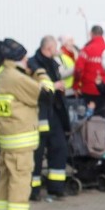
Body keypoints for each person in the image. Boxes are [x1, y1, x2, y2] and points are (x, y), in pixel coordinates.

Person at [0, 38, 53, 210]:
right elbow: (47, 94)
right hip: (20, 140)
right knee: (20, 181)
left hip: (7, 140)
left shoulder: (3, 75)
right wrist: (40, 72)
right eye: (26, 58)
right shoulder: (16, 78)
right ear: (19, 58)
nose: (28, 61)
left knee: (5, 179)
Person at [27, 35, 70, 201]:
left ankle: (56, 187)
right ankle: (33, 190)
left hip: (54, 113)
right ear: (49, 48)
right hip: (39, 114)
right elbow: (35, 88)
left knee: (59, 147)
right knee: (36, 153)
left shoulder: (52, 63)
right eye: (55, 47)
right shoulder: (33, 64)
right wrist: (55, 85)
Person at [73, 25, 105, 111]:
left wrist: (76, 85)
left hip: (88, 90)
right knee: (103, 118)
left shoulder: (86, 50)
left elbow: (78, 70)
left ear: (91, 34)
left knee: (89, 118)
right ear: (102, 34)